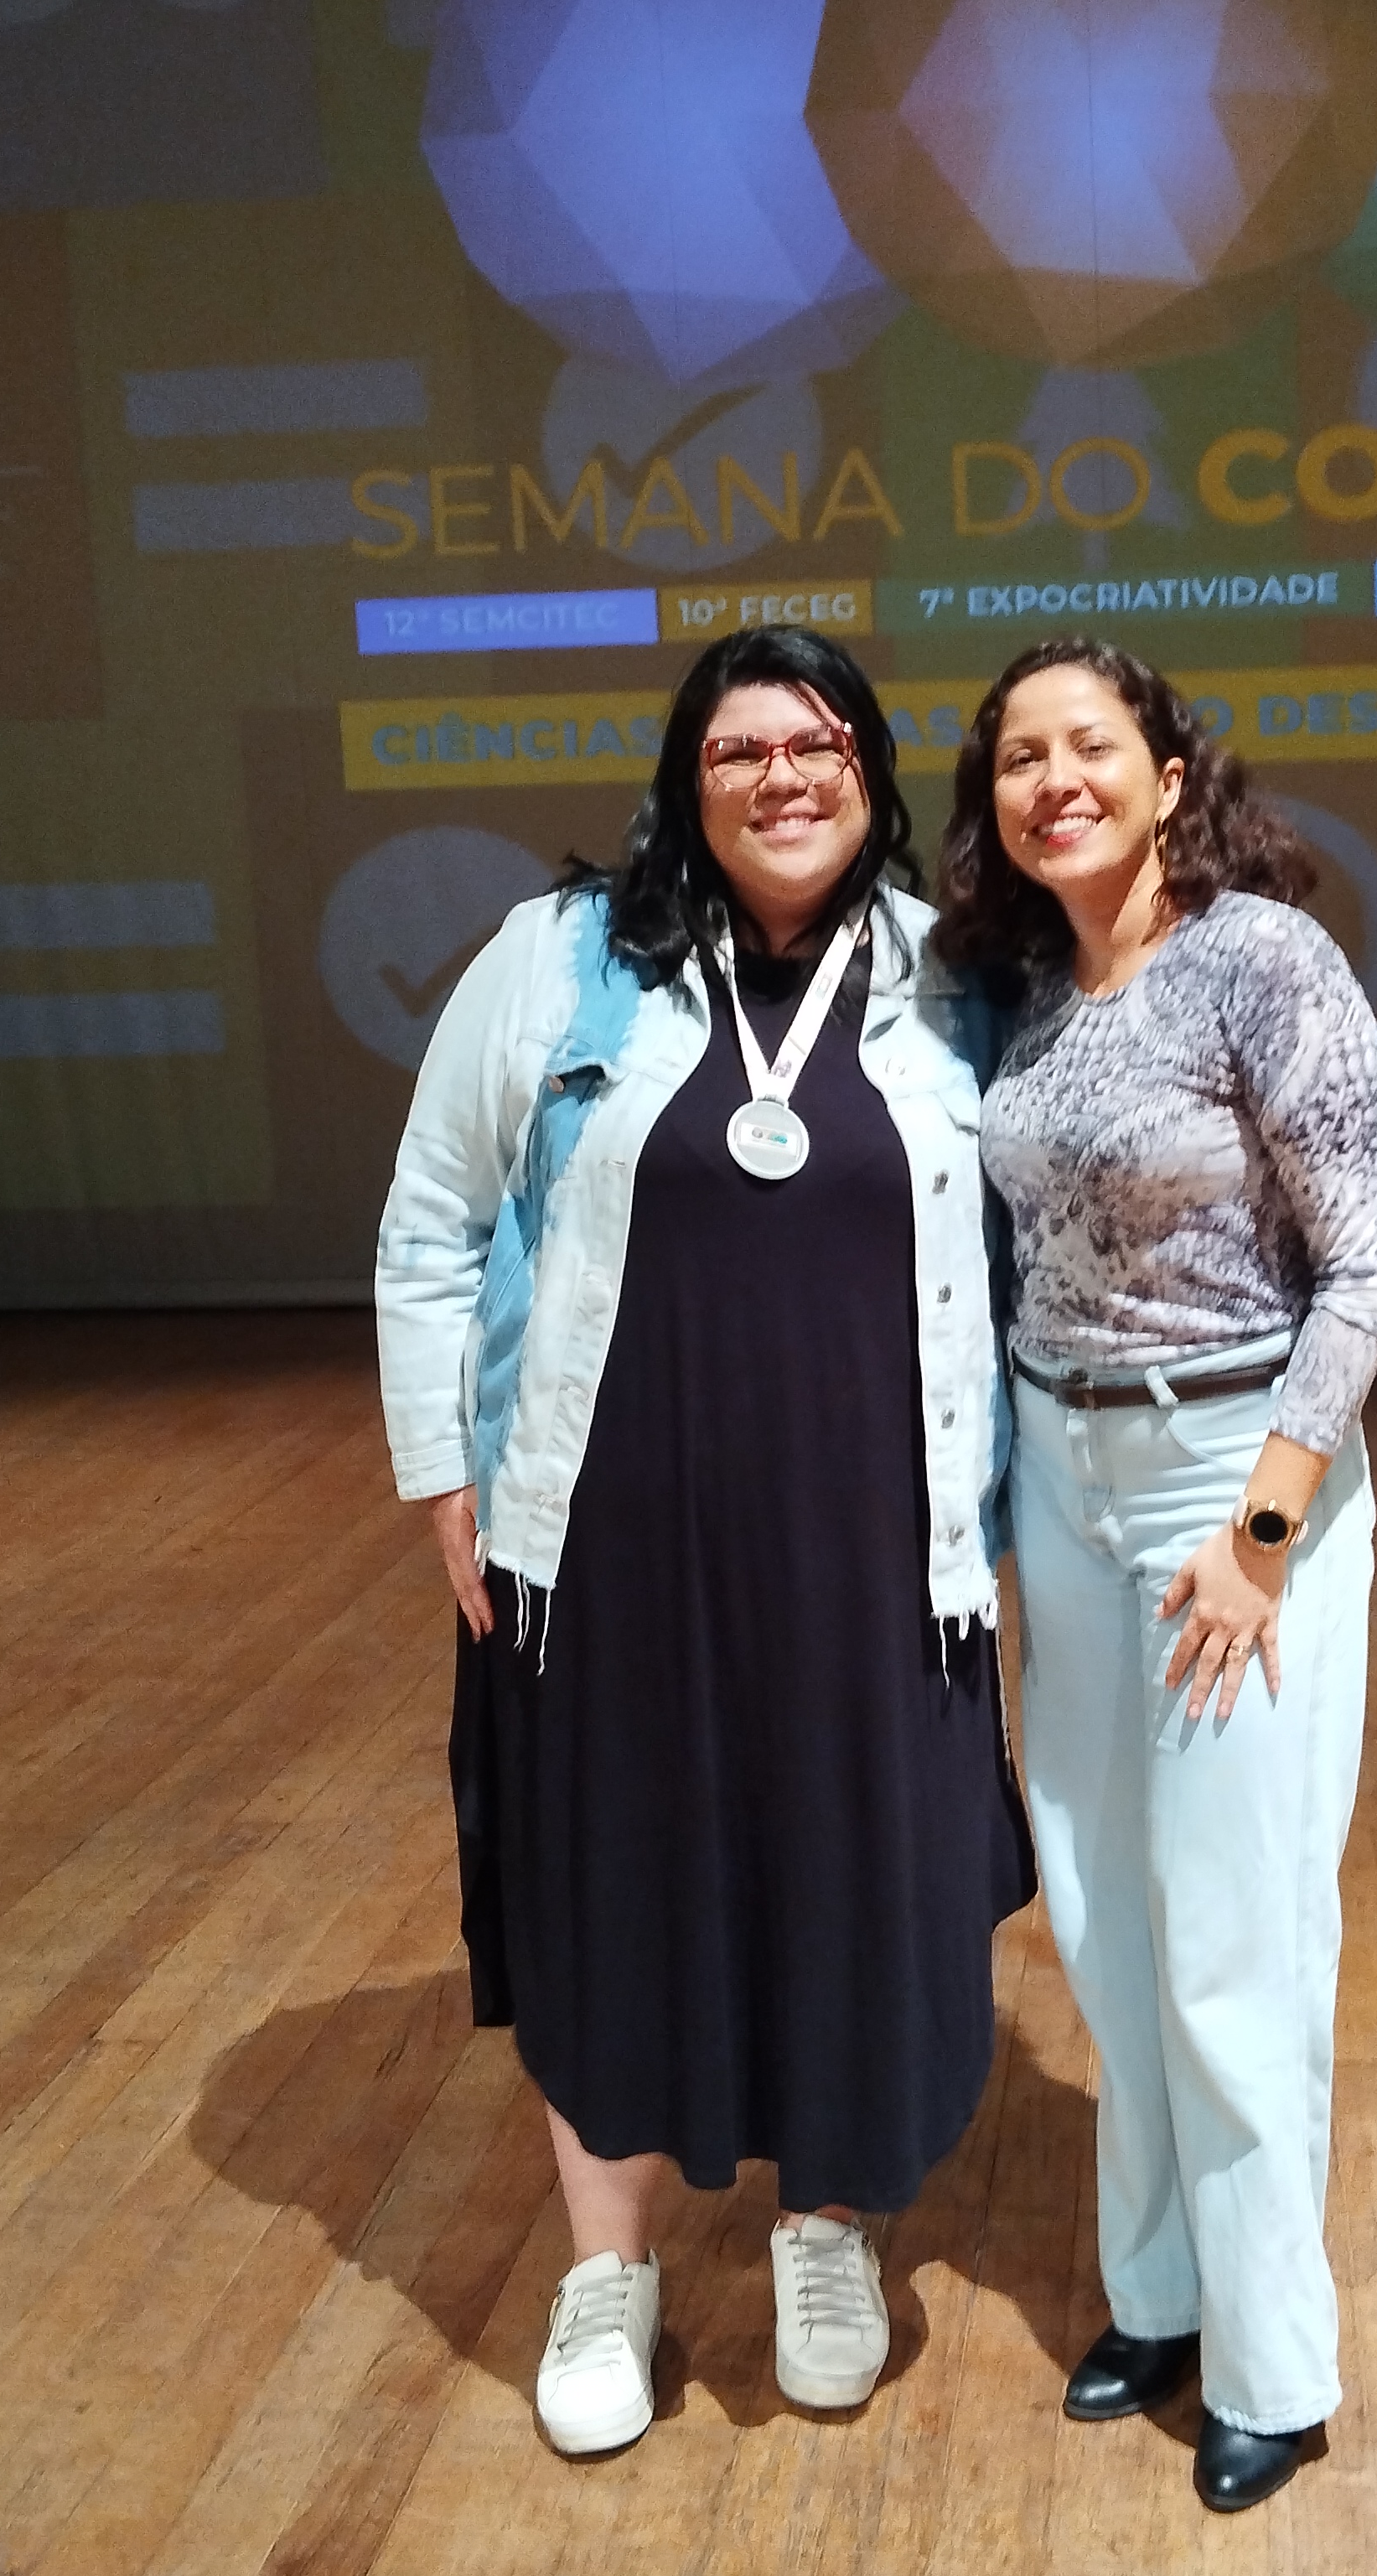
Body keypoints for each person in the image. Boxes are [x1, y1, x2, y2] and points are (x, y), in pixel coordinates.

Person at [377, 626, 1030, 2457]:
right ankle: (609, 2270)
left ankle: (828, 2228)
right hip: (610, 1537)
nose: (781, 777)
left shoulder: (958, 980)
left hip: (875, 1545)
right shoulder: (559, 960)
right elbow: (433, 1220)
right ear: (688, 780)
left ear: (872, 775)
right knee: (611, 1882)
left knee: (858, 1877)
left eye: (819, 745)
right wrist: (440, 1472)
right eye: (740, 750)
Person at [934, 638, 1377, 2515]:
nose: (1053, 779)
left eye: (1090, 745)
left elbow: (1366, 1270)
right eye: (1017, 757)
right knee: (1104, 1917)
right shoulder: (1026, 993)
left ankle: (1275, 2365)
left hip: (1235, 1475)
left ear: (1167, 773)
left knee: (1233, 1937)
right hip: (1066, 1474)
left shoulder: (1263, 962)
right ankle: (1158, 2295)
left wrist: (1265, 1539)